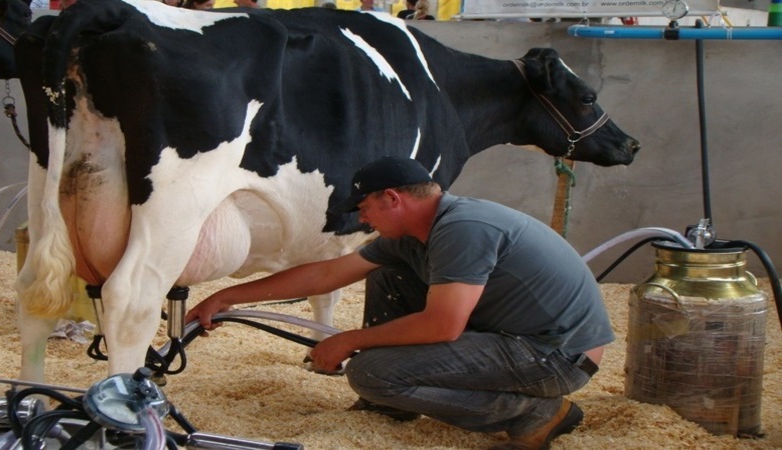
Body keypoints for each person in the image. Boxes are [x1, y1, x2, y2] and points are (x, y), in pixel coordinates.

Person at [186, 156, 614, 450]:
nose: (361, 218)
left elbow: (443, 325)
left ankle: (531, 414)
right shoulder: (411, 236)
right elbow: (326, 273)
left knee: (371, 372)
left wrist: (351, 341)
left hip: (556, 357)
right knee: (389, 276)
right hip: (516, 338)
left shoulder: (463, 228)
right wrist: (227, 296)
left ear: (393, 198)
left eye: (364, 207)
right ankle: (392, 405)